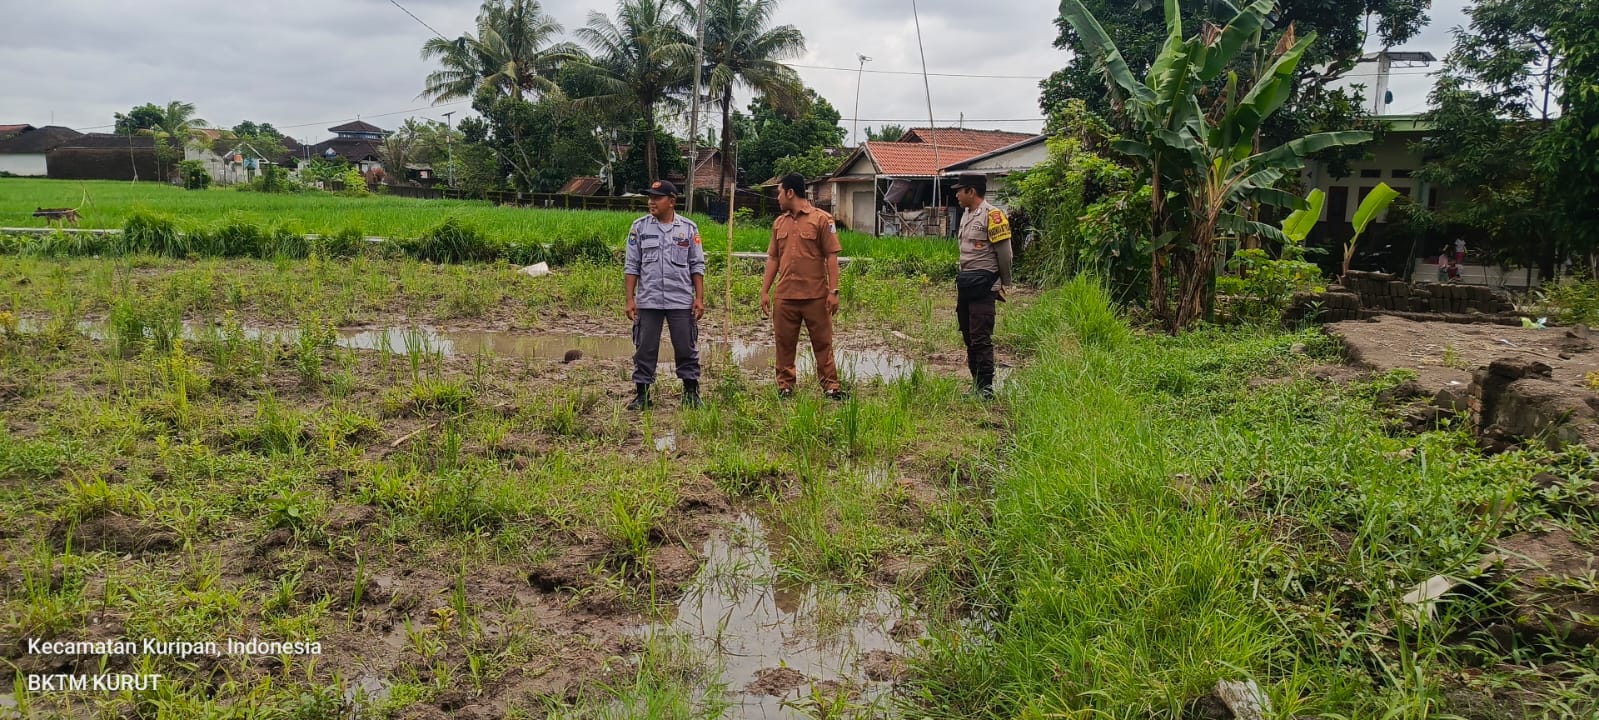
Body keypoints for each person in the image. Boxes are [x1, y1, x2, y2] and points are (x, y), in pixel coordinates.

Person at [760, 173, 844, 400]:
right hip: (785, 297)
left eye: (779, 192)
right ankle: (785, 386)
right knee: (784, 344)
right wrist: (765, 291)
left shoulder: (822, 220)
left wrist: (833, 291)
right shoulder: (779, 223)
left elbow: (831, 257)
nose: (777, 197)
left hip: (816, 296)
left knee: (823, 344)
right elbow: (773, 259)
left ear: (790, 192)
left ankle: (831, 387)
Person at [623, 180, 706, 410]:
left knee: (686, 347)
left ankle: (691, 393)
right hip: (648, 300)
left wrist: (699, 298)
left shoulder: (688, 228)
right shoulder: (639, 228)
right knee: (644, 348)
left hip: (680, 299)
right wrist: (630, 299)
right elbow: (632, 265)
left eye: (657, 198)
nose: (651, 202)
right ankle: (642, 395)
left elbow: (696, 265)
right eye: (649, 197)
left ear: (671, 201)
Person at [949, 174, 1013, 400]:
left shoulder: (993, 216)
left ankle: (986, 388)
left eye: (960, 190)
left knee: (981, 337)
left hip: (985, 285)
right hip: (967, 284)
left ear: (971, 191)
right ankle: (976, 383)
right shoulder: (966, 215)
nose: (956, 194)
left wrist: (1003, 283)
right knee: (968, 335)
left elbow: (1005, 254)